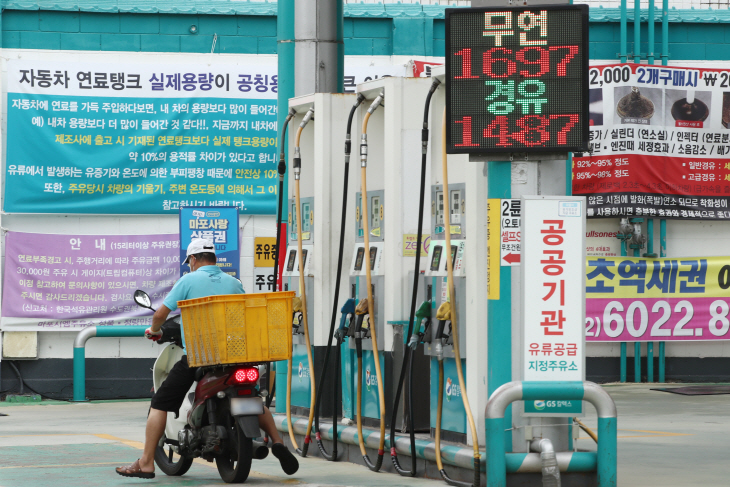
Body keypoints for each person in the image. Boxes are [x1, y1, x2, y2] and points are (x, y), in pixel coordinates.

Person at [116, 238, 298, 479]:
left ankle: (147, 462)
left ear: (193, 259)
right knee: (253, 395)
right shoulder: (234, 282)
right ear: (214, 259)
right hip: (236, 353)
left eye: (189, 261)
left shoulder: (188, 280)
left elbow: (161, 313)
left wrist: (156, 330)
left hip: (201, 356)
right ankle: (277, 442)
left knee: (160, 402)